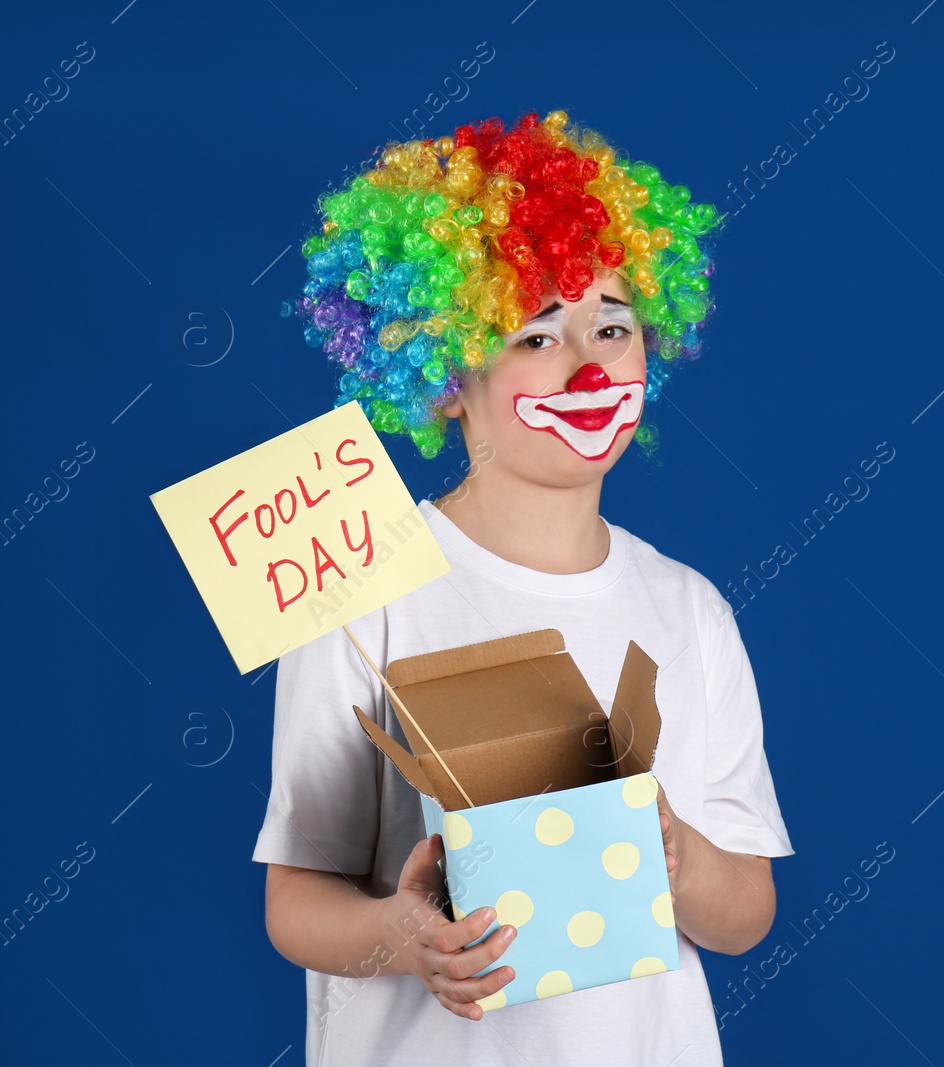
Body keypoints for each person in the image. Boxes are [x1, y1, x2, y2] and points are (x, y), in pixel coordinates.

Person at [253, 111, 792, 1066]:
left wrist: (680, 854)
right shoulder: (361, 576)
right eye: (537, 336)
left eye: (613, 327)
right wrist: (405, 937)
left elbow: (745, 914)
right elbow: (296, 901)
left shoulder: (690, 607)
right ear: (445, 370)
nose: (588, 365)